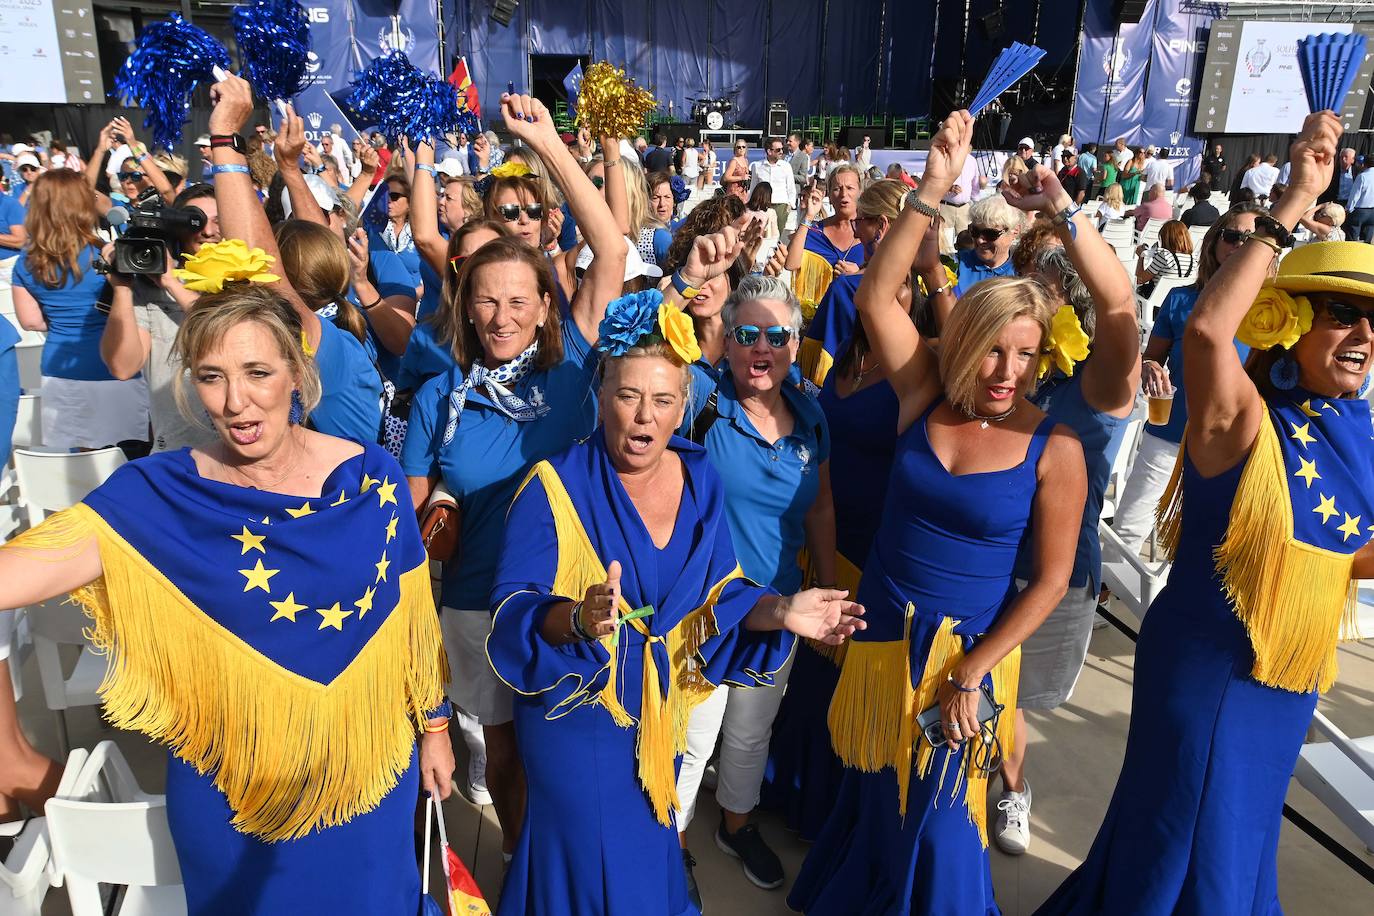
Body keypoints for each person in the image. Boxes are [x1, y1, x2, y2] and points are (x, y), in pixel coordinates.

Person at [1039, 109, 1374, 916]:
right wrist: (1294, 200)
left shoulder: (1356, 428)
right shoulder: (1243, 414)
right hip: (1208, 667)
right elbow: (1207, 338)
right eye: (1341, 314)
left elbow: (1349, 556)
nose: (1365, 333)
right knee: (1182, 837)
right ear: (1290, 321)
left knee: (1239, 837)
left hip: (1284, 679)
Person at [789, 110, 1087, 916]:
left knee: (946, 832)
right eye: (995, 348)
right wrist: (931, 187)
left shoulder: (1054, 449)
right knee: (881, 799)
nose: (1008, 370)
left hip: (965, 659)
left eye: (1026, 354)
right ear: (965, 343)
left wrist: (976, 669)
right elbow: (878, 290)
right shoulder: (922, 394)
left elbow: (1052, 581)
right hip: (884, 633)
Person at [486, 290, 863, 916]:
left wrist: (782, 611)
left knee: (647, 854)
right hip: (579, 723)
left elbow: (724, 594)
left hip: (659, 722)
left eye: (662, 400)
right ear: (601, 397)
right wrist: (576, 617)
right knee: (588, 868)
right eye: (628, 396)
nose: (643, 417)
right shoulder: (550, 487)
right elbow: (514, 615)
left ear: (682, 405)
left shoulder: (698, 477)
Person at [401, 92, 626, 861]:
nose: (501, 316)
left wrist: (551, 147)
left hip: (567, 599)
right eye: (487, 301)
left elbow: (613, 249)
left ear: (543, 308)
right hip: (473, 605)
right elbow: (407, 522)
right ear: (465, 307)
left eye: (518, 301)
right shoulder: (439, 395)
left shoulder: (572, 373)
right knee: (503, 756)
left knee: (568, 748)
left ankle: (572, 862)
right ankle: (523, 860)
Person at [991, 164, 1142, 856]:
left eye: (1049, 287)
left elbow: (1120, 311)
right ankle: (987, 785)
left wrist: (1061, 204)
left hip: (1054, 573)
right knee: (984, 690)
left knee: (1012, 694)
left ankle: (1013, 793)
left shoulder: (1101, 385)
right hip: (984, 558)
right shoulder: (1014, 367)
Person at [672, 274, 836, 896]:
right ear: (728, 341)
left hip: (783, 607)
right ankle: (676, 837)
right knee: (694, 734)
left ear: (795, 344)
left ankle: (736, 825)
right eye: (746, 335)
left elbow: (820, 508)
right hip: (704, 610)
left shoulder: (812, 418)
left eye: (776, 336)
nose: (760, 349)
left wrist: (822, 591)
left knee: (749, 732)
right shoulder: (702, 400)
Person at [1110, 203, 1264, 559]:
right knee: (1130, 527)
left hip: (1239, 445)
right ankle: (1105, 591)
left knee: (1216, 540)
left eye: (1252, 239)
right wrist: (1149, 367)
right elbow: (1152, 356)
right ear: (1214, 243)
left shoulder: (1274, 312)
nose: (1240, 245)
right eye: (1233, 236)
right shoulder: (1180, 300)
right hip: (1171, 429)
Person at [11, 170, 149, 449]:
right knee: (128, 461)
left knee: (82, 465)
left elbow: (31, 322)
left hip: (61, 370)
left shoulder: (26, 262)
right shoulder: (109, 254)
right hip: (118, 363)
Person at [99, 183, 218, 452]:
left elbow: (224, 331)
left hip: (240, 452)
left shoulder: (247, 276)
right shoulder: (150, 286)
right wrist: (121, 288)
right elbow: (122, 366)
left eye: (217, 220)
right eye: (196, 222)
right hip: (176, 450)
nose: (209, 231)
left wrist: (172, 284)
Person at [799, 179, 910, 385]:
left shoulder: (848, 288)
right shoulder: (933, 281)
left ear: (881, 226)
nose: (856, 232)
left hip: (855, 394)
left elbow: (822, 363)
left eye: (859, 222)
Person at [786, 165, 864, 318]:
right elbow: (790, 264)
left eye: (850, 188)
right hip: (820, 321)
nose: (843, 194)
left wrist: (859, 275)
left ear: (860, 191)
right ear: (829, 194)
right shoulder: (814, 231)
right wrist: (808, 216)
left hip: (859, 321)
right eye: (837, 189)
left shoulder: (871, 231)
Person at [955, 193, 1023, 293]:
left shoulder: (1022, 273)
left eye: (990, 234)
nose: (980, 240)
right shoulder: (957, 264)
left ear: (1015, 231)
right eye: (975, 231)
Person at [750, 138, 796, 242]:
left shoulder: (786, 166)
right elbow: (753, 187)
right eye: (778, 150)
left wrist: (790, 205)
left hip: (781, 205)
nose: (781, 152)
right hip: (762, 205)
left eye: (782, 149)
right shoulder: (757, 166)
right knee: (760, 234)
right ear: (769, 151)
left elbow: (791, 188)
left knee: (776, 236)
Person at [1134, 220, 1195, 297]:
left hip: (1158, 301)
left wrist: (1141, 256)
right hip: (1180, 302)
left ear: (1165, 238)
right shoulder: (1193, 260)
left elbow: (1139, 279)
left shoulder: (1165, 256)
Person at [941, 150, 985, 234]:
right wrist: (949, 188)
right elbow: (934, 182)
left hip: (964, 209)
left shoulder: (971, 160)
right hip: (946, 207)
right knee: (945, 241)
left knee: (966, 242)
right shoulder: (943, 158)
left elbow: (975, 184)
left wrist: (977, 205)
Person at [1344, 161, 1374, 243]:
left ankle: (1351, 252)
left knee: (1352, 236)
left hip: (1360, 211)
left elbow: (1355, 195)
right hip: (1372, 211)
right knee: (1368, 239)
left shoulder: (1362, 176)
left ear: (1365, 164)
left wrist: (1348, 208)